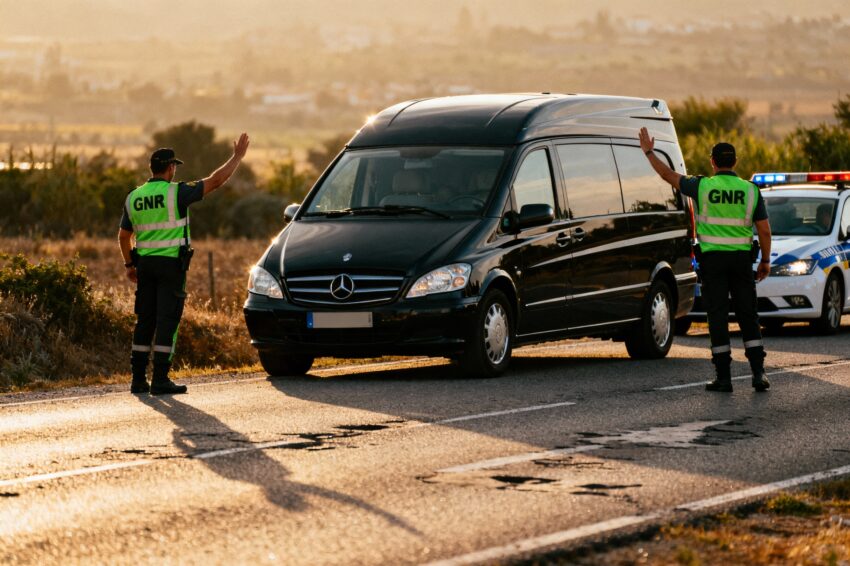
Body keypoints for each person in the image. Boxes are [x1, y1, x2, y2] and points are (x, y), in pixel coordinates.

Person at [639, 128, 771, 392]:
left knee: (718, 316)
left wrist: (649, 152)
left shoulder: (702, 186)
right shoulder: (750, 190)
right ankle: (758, 374)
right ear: (735, 162)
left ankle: (724, 378)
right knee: (748, 315)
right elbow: (764, 230)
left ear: (713, 162)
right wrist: (765, 260)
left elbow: (667, 175)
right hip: (741, 261)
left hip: (712, 262)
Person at [118, 134, 250, 394]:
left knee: (145, 320)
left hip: (144, 266)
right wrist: (236, 157)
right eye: (174, 167)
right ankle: (160, 379)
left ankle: (137, 379)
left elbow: (124, 236)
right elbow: (216, 181)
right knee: (167, 321)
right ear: (170, 168)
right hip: (170, 268)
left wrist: (129, 265)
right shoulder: (176, 192)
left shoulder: (133, 197)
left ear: (151, 169)